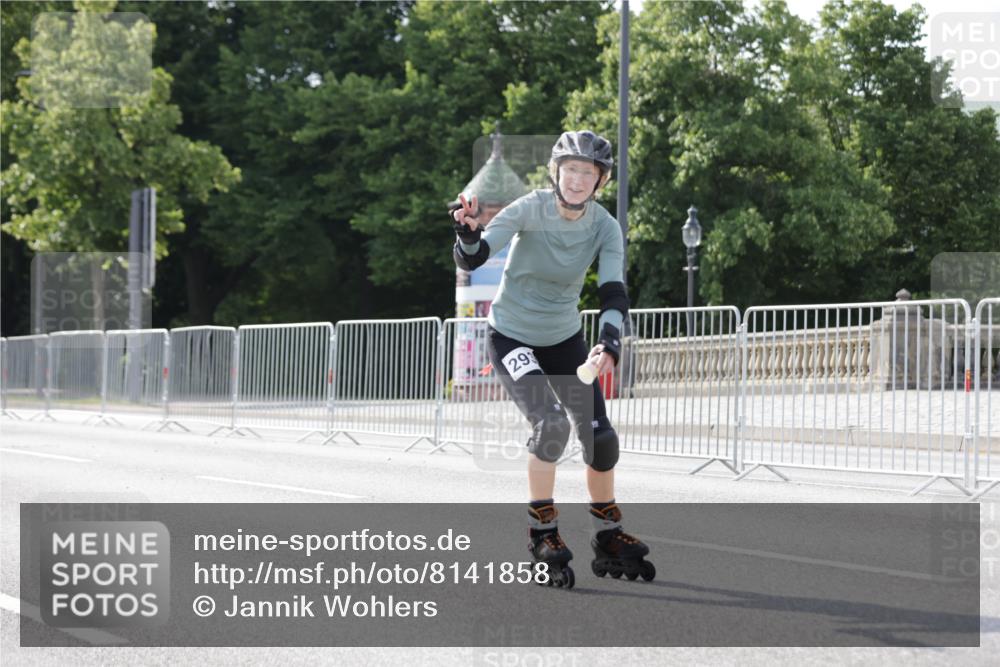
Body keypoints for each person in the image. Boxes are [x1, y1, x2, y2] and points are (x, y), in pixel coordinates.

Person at [450, 130, 654, 587]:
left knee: (601, 438)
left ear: (600, 181)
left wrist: (609, 344)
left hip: (564, 340)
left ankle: (608, 533)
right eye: (572, 170)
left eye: (589, 172)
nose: (579, 180)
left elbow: (614, 292)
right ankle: (542, 532)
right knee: (552, 426)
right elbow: (477, 255)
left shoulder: (604, 226)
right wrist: (465, 236)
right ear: (556, 172)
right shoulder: (530, 208)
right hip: (512, 337)